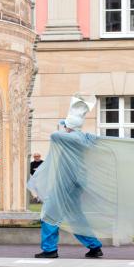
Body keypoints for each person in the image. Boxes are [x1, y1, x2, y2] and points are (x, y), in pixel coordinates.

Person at [31, 96, 104, 258]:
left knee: (49, 214)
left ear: (69, 127)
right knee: (75, 216)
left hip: (66, 182)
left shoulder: (67, 137)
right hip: (77, 181)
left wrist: (65, 125)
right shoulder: (85, 138)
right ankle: (95, 246)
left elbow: (55, 135)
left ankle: (50, 250)